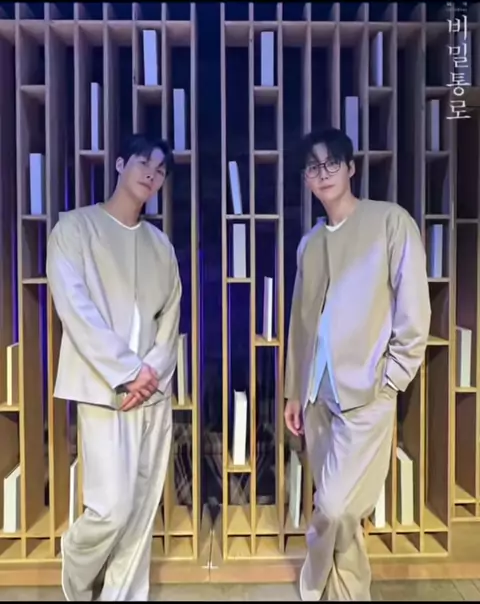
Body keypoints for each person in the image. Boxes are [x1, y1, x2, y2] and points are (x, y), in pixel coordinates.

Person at [284, 128, 431, 601]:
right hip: (316, 395)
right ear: (306, 179)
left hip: (367, 393)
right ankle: (349, 594)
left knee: (335, 507)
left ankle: (312, 580)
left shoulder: (390, 222)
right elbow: (300, 323)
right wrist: (294, 391)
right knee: (342, 514)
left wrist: (392, 380)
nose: (323, 173)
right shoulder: (310, 243)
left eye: (332, 163)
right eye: (313, 167)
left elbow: (414, 311)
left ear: (351, 168)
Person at [46, 133, 181, 602]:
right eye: (144, 163)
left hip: (153, 392)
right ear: (121, 164)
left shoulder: (160, 244)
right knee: (111, 509)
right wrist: (127, 372)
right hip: (105, 390)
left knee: (141, 510)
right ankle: (77, 565)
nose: (151, 174)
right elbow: (75, 309)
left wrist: (151, 374)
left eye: (160, 170)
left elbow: (170, 319)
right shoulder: (74, 229)